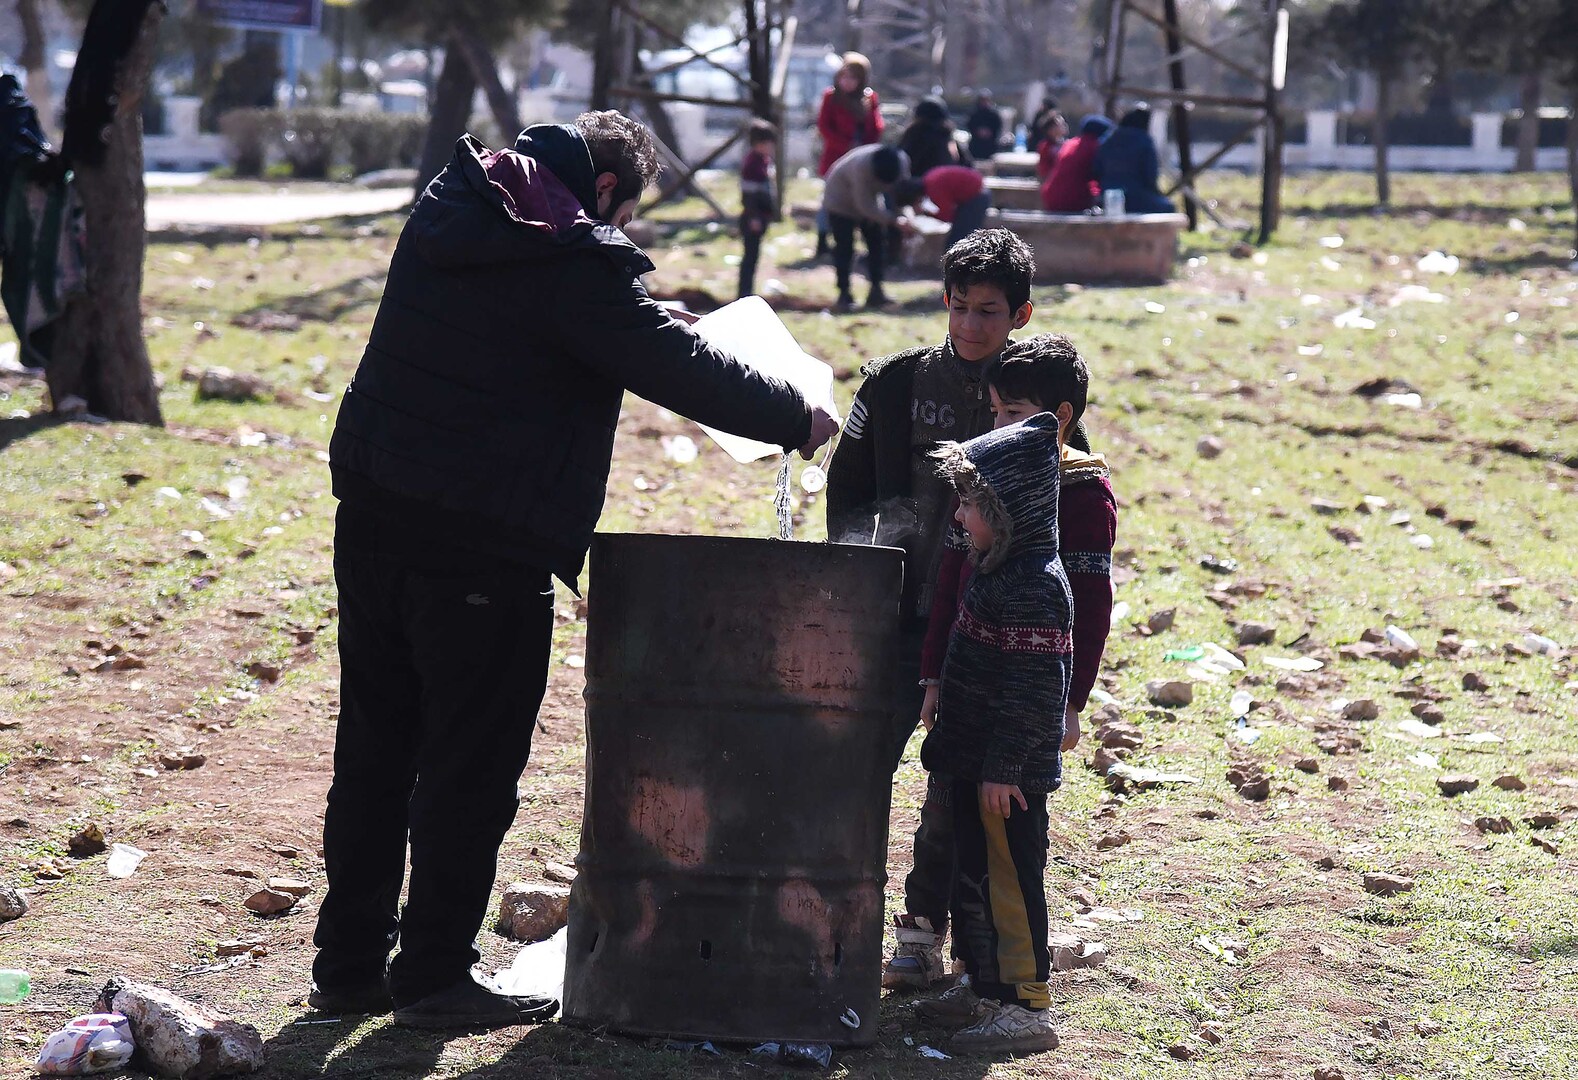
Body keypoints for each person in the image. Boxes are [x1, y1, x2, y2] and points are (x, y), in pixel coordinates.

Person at [313, 110, 838, 1031]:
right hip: (481, 541)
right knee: (469, 768)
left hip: (374, 516)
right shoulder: (565, 254)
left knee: (375, 750)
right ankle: (432, 975)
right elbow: (668, 362)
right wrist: (796, 415)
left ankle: (347, 964)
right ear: (602, 193)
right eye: (626, 217)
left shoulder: (458, 207)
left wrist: (632, 313)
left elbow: (570, 330)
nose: (621, 236)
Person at [825, 229, 1033, 990]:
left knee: (952, 785)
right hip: (894, 613)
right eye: (959, 307)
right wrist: (852, 582)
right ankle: (829, 919)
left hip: (982, 624)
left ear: (1021, 314)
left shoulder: (1031, 396)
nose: (971, 325)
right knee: (856, 769)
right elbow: (844, 487)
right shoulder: (894, 383)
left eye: (988, 311)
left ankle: (921, 933)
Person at [914, 411, 1072, 1054]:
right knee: (973, 879)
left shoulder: (1035, 587)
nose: (959, 518)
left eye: (973, 505)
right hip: (976, 764)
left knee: (1008, 883)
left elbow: (1033, 694)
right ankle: (985, 987)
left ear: (1009, 512)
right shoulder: (998, 568)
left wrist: (1004, 767)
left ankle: (1026, 1006)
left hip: (1005, 777)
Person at [919, 333, 1114, 780]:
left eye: (1013, 412)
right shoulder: (980, 474)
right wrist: (934, 676)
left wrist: (1070, 700)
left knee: (1013, 806)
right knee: (949, 803)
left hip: (1031, 690)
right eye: (995, 412)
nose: (999, 425)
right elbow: (952, 574)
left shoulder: (1083, 495)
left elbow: (1089, 605)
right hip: (966, 677)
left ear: (1060, 416)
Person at [820, 143, 910, 311]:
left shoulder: (902, 162)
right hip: (840, 201)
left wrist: (904, 215)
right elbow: (864, 205)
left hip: (871, 201)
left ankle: (876, 291)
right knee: (845, 248)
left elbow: (901, 194)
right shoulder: (861, 168)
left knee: (877, 245)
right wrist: (892, 220)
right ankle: (844, 294)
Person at [815, 52, 883, 256]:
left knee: (860, 197)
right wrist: (846, 146)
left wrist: (865, 149)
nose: (847, 82)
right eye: (844, 77)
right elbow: (824, 127)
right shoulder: (831, 97)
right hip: (836, 157)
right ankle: (823, 238)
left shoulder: (869, 98)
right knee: (830, 200)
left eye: (852, 78)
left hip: (862, 160)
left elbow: (877, 126)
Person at [1094, 105, 1176, 214]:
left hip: (1108, 196)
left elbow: (1096, 169)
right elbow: (1150, 175)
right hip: (1137, 196)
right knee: (1168, 207)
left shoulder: (1107, 139)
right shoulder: (1143, 140)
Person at [892, 164, 992, 247]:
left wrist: (924, 213)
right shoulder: (930, 179)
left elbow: (948, 216)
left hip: (976, 196)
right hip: (972, 193)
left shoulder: (933, 188)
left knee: (958, 240)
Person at [738, 118, 777, 299]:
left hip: (761, 215)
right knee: (750, 257)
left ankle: (747, 291)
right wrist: (754, 217)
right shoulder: (752, 164)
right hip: (753, 217)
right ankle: (744, 292)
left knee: (753, 256)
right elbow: (749, 195)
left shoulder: (763, 161)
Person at [1039, 114, 1111, 213]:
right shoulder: (1094, 146)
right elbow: (1099, 174)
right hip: (1071, 199)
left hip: (1051, 196)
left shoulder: (1071, 143)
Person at [897, 95, 972, 177]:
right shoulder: (947, 138)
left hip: (917, 186)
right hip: (945, 185)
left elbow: (899, 164)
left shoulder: (912, 137)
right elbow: (967, 167)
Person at [966, 91, 1003, 163]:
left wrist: (988, 132)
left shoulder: (993, 114)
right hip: (976, 146)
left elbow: (997, 126)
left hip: (989, 146)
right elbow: (970, 125)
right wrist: (978, 131)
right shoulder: (974, 113)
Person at [1033, 109, 1069, 181]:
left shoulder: (1066, 144)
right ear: (1050, 130)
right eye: (1060, 124)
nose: (1064, 126)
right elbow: (1044, 170)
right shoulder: (1045, 147)